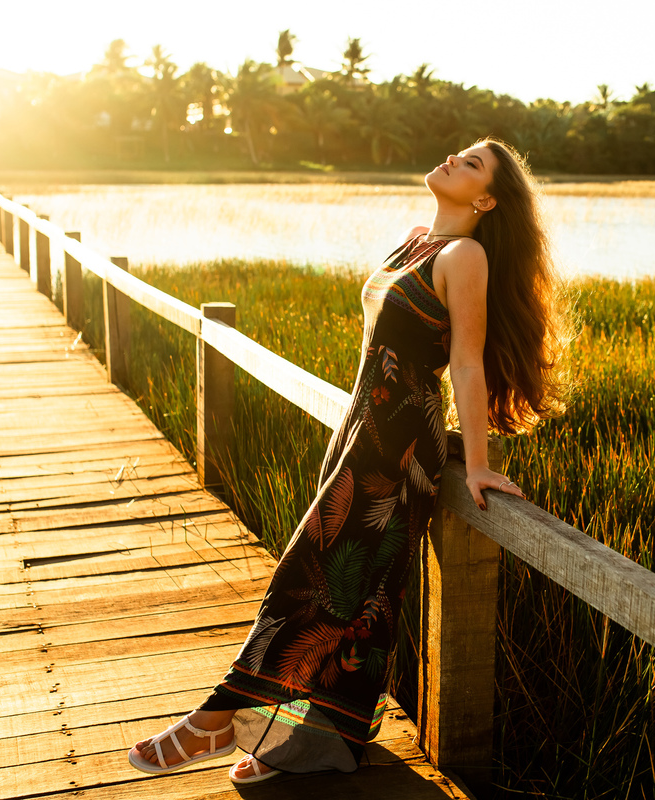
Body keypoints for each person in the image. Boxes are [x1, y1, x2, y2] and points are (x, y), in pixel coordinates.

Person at [127, 137, 570, 784]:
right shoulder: (414, 238)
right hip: (361, 429)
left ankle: (222, 715)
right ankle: (297, 743)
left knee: (313, 575)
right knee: (364, 596)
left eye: (471, 164)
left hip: (399, 446)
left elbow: (466, 365)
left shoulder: (464, 255)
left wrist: (474, 464)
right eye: (460, 151)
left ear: (485, 199)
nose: (454, 157)